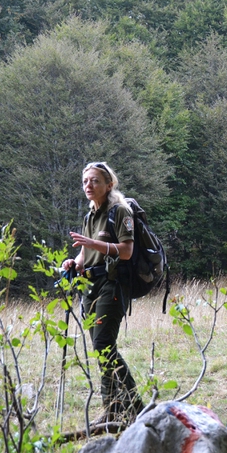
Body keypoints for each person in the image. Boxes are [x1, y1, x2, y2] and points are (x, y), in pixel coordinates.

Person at [62, 161, 144, 423]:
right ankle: (120, 407)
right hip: (90, 286)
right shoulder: (89, 216)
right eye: (86, 181)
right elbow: (85, 253)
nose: (89, 185)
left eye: (95, 181)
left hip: (113, 285)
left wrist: (92, 243)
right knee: (101, 349)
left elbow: (127, 250)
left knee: (103, 344)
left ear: (109, 185)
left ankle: (126, 406)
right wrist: (74, 262)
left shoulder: (120, 211)